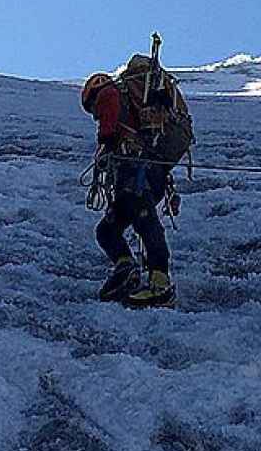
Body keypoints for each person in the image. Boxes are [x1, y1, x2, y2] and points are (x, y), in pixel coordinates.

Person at [80, 54, 191, 308]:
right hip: (151, 173)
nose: (95, 115)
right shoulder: (132, 98)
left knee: (142, 221)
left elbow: (108, 130)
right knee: (107, 230)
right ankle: (126, 268)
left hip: (136, 169)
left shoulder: (108, 92)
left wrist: (106, 146)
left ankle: (159, 282)